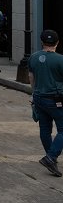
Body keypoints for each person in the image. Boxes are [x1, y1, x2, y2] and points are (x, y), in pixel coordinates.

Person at [28, 29, 63, 177]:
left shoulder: (34, 57)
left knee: (45, 129)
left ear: (42, 42)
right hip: (56, 100)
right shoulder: (60, 59)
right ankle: (51, 157)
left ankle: (51, 159)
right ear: (57, 43)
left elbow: (31, 77)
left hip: (39, 98)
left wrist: (34, 93)